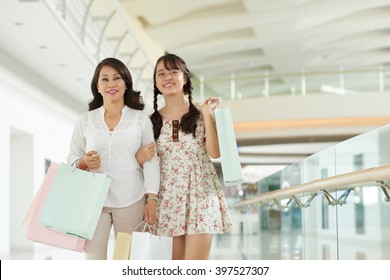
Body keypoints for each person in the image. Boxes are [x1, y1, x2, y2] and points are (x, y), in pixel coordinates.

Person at [138, 53, 232, 260]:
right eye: (161, 73)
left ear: (186, 78)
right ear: (156, 82)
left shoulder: (202, 112)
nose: (167, 77)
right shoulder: (149, 121)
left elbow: (214, 153)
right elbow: (143, 162)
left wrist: (207, 114)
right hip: (167, 199)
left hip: (201, 195)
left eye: (173, 72)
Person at [67, 57, 160, 260]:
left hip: (131, 198)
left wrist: (151, 198)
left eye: (117, 78)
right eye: (105, 79)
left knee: (126, 258)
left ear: (126, 83)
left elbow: (152, 160)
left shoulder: (140, 119)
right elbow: (72, 158)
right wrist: (83, 162)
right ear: (97, 86)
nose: (111, 84)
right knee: (93, 258)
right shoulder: (85, 120)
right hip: (93, 201)